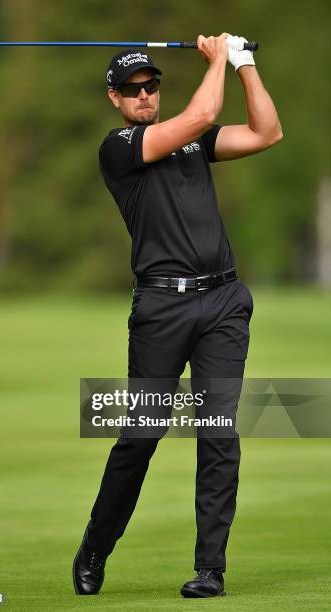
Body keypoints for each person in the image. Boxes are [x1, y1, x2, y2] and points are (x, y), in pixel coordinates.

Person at [72, 33, 283, 598]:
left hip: (222, 302)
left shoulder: (193, 142)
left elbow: (267, 132)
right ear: (115, 99)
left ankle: (210, 569)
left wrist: (243, 65)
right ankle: (95, 546)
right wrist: (215, 60)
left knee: (218, 432)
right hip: (162, 307)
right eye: (132, 90)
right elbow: (202, 113)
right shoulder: (119, 147)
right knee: (141, 436)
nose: (145, 96)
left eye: (152, 86)